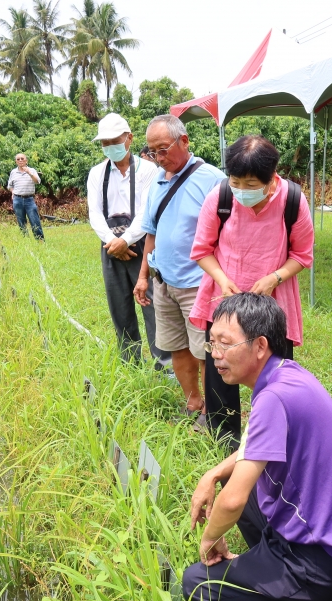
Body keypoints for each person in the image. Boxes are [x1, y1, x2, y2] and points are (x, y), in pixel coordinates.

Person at [182, 292, 332, 601]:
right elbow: (253, 447)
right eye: (212, 344)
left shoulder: (272, 398)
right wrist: (213, 473)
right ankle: (266, 568)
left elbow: (233, 501)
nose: (216, 355)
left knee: (197, 584)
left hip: (318, 564)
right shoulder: (286, 376)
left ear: (260, 345)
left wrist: (210, 540)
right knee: (238, 483)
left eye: (225, 344)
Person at [190, 135, 314, 445]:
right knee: (221, 371)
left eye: (251, 184)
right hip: (224, 301)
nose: (242, 191)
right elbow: (202, 249)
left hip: (272, 304)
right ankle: (224, 439)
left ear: (272, 179)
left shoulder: (293, 201)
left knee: (275, 372)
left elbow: (302, 255)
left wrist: (274, 277)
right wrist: (221, 277)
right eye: (236, 182)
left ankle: (275, 435)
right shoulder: (220, 197)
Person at [133, 115, 224, 419]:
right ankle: (193, 403)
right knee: (177, 348)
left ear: (184, 141)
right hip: (164, 282)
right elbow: (151, 232)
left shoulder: (211, 179)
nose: (158, 159)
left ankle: (214, 412)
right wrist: (144, 275)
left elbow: (229, 233)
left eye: (163, 149)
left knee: (204, 351)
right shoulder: (157, 182)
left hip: (198, 284)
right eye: (152, 152)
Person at [86, 113, 169, 366]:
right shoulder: (97, 173)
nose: (109, 146)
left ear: (129, 138)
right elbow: (95, 213)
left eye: (114, 140)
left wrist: (128, 239)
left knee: (152, 303)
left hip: (143, 243)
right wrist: (113, 242)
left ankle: (163, 363)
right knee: (119, 304)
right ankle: (130, 361)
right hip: (110, 246)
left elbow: (147, 210)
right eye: (104, 142)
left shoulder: (148, 170)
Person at [6, 153, 45, 241]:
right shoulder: (13, 172)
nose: (20, 160)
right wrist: (13, 192)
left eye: (22, 159)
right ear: (16, 161)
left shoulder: (32, 170)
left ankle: (40, 241)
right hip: (17, 199)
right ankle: (25, 241)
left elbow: (37, 181)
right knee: (21, 222)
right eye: (18, 159)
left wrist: (29, 173)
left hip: (29, 199)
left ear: (26, 160)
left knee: (35, 221)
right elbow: (10, 186)